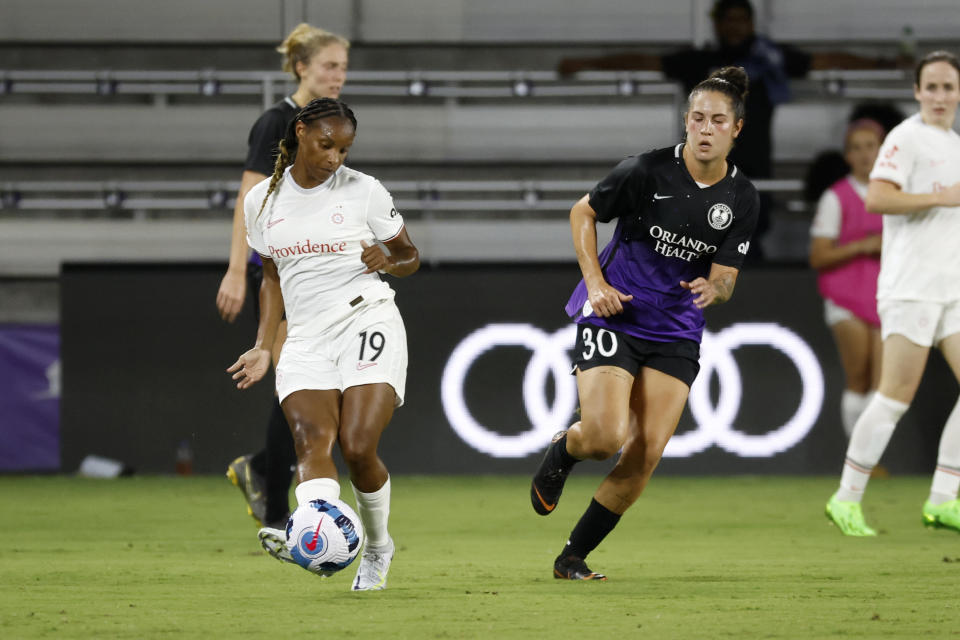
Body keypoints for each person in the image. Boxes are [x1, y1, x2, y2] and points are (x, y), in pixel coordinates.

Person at [529, 67, 759, 580]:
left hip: (676, 331)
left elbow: (725, 279)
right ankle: (566, 447)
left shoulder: (742, 198)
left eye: (717, 120)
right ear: (685, 120)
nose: (705, 128)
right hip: (617, 314)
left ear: (736, 129)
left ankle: (572, 558)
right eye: (697, 117)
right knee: (605, 438)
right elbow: (582, 213)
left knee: (646, 453)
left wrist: (713, 289)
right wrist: (595, 284)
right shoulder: (646, 171)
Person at [227, 97, 419, 590]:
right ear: (300, 132)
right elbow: (270, 278)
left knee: (357, 447)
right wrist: (264, 345)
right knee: (311, 444)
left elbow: (410, 255)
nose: (336, 157)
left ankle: (377, 546)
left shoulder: (365, 191)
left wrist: (388, 259)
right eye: (327, 144)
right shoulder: (261, 202)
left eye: (345, 149)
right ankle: (317, 537)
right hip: (306, 335)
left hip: (366, 318)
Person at [558, 0, 897, 262]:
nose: (735, 26)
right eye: (728, 19)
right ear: (717, 24)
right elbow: (645, 61)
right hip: (701, 175)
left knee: (747, 250)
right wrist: (587, 63)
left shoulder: (771, 60)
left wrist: (882, 65)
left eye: (741, 19)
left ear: (751, 22)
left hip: (754, 176)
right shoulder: (700, 60)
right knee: (695, 249)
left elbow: (824, 59)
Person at [218, 23, 349, 530]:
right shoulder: (276, 122)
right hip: (279, 273)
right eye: (329, 65)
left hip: (321, 273)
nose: (338, 75)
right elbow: (249, 201)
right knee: (298, 381)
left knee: (318, 383)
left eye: (342, 66)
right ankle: (275, 514)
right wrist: (235, 270)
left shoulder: (333, 123)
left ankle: (260, 470)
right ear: (302, 68)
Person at [825, 50, 960, 536]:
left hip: (952, 288)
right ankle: (846, 498)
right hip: (912, 288)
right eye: (933, 87)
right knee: (895, 396)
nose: (941, 96)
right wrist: (939, 197)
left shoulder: (956, 146)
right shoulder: (905, 138)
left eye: (949, 87)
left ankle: (944, 498)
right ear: (918, 91)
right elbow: (879, 197)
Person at [808, 118, 886, 440]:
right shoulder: (835, 197)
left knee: (882, 382)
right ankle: (858, 455)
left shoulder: (897, 194)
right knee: (858, 374)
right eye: (857, 148)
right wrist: (863, 245)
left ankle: (869, 452)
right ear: (847, 156)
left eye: (871, 147)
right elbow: (818, 256)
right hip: (846, 295)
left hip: (886, 293)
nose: (865, 155)